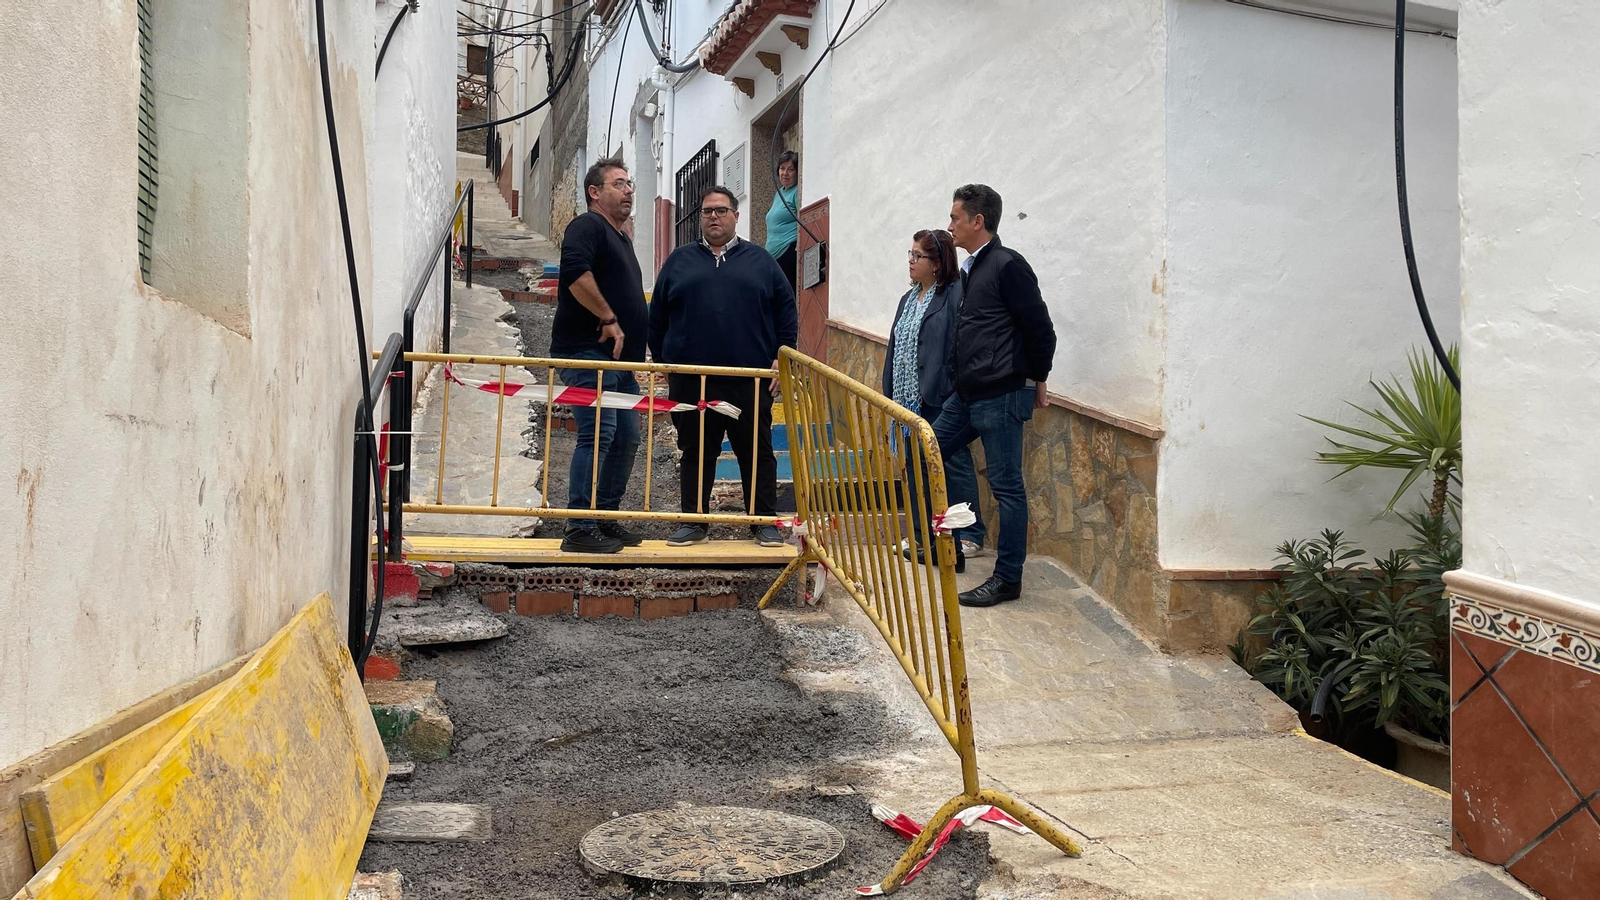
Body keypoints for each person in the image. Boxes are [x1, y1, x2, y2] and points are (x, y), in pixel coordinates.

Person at [649, 186, 797, 548]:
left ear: (735, 215)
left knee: (757, 452)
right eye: (707, 212)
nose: (713, 216)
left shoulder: (762, 262)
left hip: (748, 381)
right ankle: (694, 521)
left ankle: (762, 522)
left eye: (721, 210)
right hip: (693, 383)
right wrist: (667, 362)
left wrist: (781, 357)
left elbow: (786, 313)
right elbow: (657, 318)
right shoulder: (679, 261)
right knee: (697, 451)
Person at [938, 184, 1057, 607]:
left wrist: (1038, 377)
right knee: (927, 450)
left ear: (977, 221)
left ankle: (1007, 579)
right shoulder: (973, 268)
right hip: (968, 394)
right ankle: (948, 545)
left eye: (955, 218)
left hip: (1002, 392)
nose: (949, 224)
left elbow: (1039, 328)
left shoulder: (1007, 265)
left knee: (1007, 488)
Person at [549, 157, 647, 554]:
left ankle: (604, 517)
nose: (628, 191)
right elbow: (573, 272)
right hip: (588, 353)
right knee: (598, 434)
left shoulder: (621, 237)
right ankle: (579, 527)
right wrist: (608, 316)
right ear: (595, 191)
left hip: (621, 364)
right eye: (619, 184)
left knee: (627, 438)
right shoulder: (587, 225)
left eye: (629, 185)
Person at [885, 229, 986, 573]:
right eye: (910, 254)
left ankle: (968, 533)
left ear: (938, 263)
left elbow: (962, 345)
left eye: (918, 256)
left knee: (953, 465)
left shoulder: (955, 294)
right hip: (907, 398)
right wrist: (890, 394)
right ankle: (924, 536)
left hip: (941, 396)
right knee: (914, 469)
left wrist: (953, 390)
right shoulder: (908, 298)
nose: (911, 262)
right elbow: (895, 348)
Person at [765, 151, 801, 294]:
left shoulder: (797, 192)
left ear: (797, 172)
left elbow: (803, 221)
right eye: (782, 168)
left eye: (790, 169)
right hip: (774, 258)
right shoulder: (780, 192)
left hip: (788, 253)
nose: (785, 173)